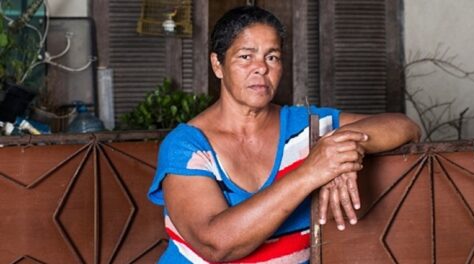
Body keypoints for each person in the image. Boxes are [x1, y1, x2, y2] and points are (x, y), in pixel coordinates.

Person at [147, 5, 420, 263]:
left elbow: (405, 127)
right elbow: (217, 244)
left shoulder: (304, 128)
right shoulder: (188, 146)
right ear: (218, 65)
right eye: (246, 56)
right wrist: (312, 171)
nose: (261, 68)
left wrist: (343, 147)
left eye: (272, 57)